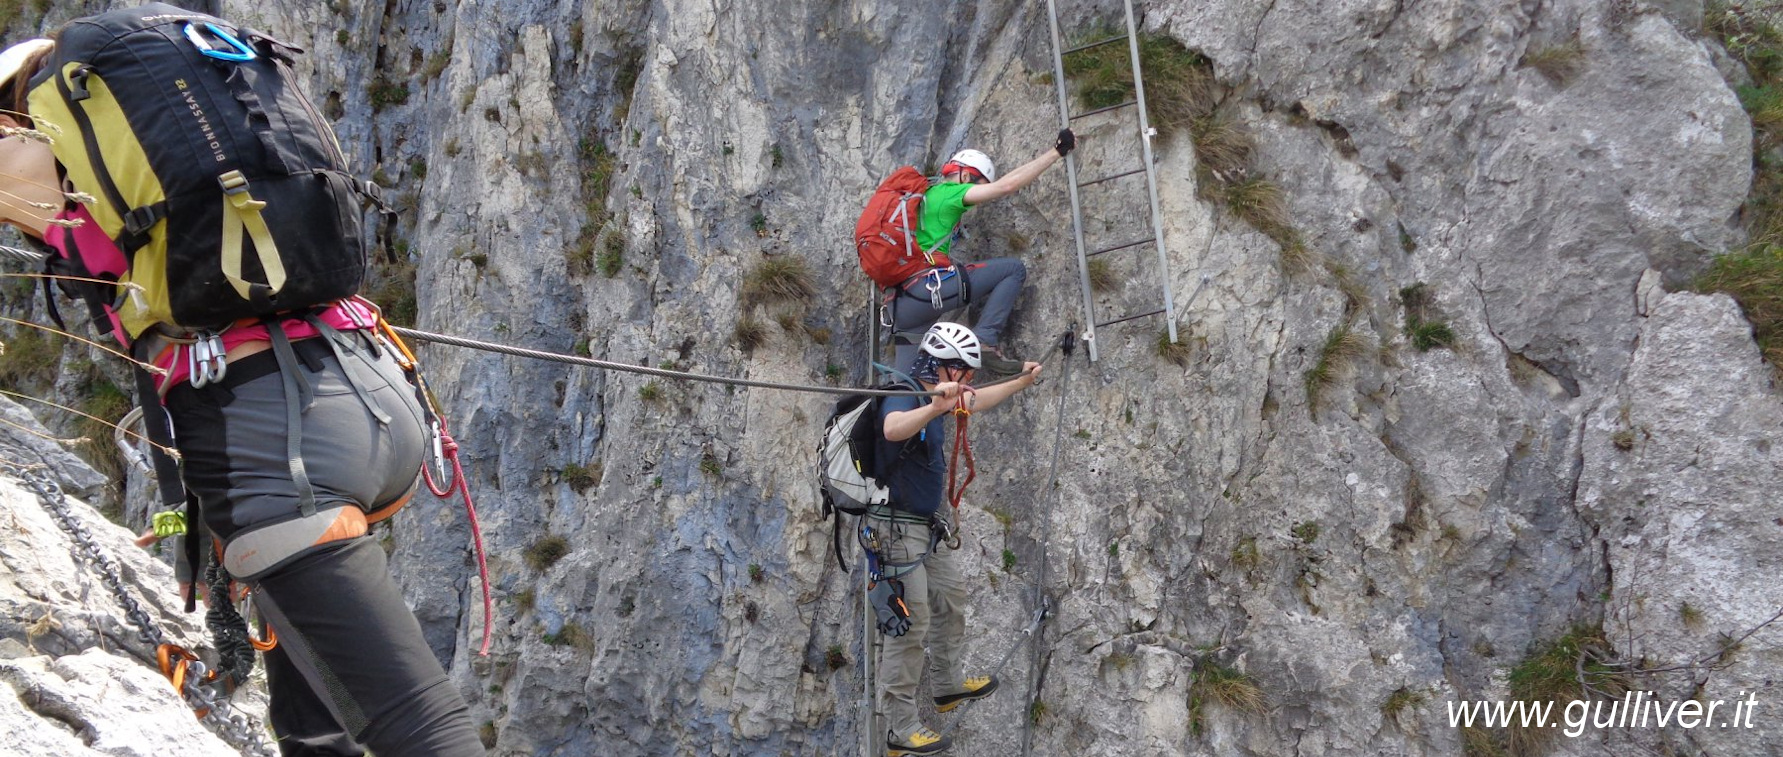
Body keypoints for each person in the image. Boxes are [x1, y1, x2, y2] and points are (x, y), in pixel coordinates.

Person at [0, 37, 484, 757]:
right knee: (314, 726)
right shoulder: (173, 152)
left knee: (419, 728)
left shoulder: (32, 158)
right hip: (369, 386)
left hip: (272, 445)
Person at [870, 322, 1042, 756]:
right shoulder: (903, 391)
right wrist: (932, 407)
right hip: (893, 528)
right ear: (942, 367)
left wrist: (1021, 382)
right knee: (909, 626)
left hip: (926, 527)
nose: (967, 382)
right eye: (962, 372)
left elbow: (977, 400)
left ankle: (947, 685)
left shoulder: (946, 394)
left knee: (952, 599)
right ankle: (900, 729)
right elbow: (893, 428)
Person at [886, 129, 1077, 377]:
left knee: (906, 386)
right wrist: (1056, 153)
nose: (978, 196)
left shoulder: (924, 197)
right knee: (1012, 269)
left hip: (900, 305)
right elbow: (1005, 186)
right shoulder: (948, 193)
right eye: (979, 185)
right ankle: (984, 340)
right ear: (965, 174)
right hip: (927, 289)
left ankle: (893, 411)